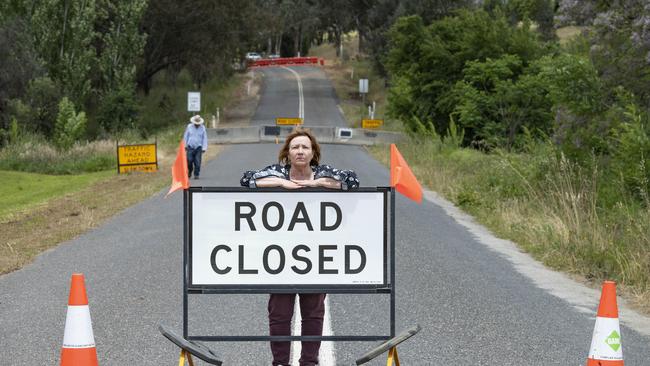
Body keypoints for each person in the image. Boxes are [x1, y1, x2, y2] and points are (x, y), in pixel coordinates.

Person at [240, 128, 359, 366]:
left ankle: (309, 362)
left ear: (313, 152)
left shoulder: (324, 172)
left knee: (313, 312)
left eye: (305, 147)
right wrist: (282, 183)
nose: (300, 151)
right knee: (280, 313)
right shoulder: (277, 172)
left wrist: (317, 184)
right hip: (281, 255)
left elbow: (352, 181)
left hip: (315, 255)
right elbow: (246, 179)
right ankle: (280, 362)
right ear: (287, 153)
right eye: (295, 147)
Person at [183, 115, 208, 179]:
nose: (197, 125)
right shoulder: (189, 126)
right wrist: (185, 145)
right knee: (189, 160)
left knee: (197, 162)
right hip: (190, 147)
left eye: (198, 123)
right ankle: (190, 171)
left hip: (198, 147)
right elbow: (186, 136)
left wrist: (204, 148)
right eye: (196, 123)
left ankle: (196, 174)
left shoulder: (202, 128)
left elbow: (204, 138)